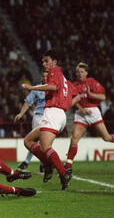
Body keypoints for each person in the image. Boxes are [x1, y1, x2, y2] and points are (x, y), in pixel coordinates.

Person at [21, 50, 80, 190]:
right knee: (28, 141)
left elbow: (53, 87)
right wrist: (64, 106)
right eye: (43, 61)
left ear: (55, 62)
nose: (44, 64)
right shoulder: (65, 79)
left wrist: (32, 87)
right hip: (59, 115)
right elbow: (76, 95)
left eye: (46, 60)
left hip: (53, 113)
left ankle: (63, 173)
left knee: (46, 147)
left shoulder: (54, 71)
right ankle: (48, 164)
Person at [64, 62, 114, 173]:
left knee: (106, 137)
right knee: (74, 138)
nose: (79, 74)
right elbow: (74, 101)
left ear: (86, 73)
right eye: (78, 72)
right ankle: (68, 165)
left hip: (93, 111)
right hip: (81, 113)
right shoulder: (74, 85)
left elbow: (103, 96)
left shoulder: (92, 82)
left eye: (82, 72)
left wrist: (91, 95)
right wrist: (81, 109)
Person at [14, 72, 46, 171]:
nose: (45, 77)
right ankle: (30, 162)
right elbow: (28, 101)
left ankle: (40, 163)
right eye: (43, 76)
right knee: (34, 141)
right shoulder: (37, 88)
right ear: (41, 77)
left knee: (45, 141)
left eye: (47, 76)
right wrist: (21, 114)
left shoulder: (55, 88)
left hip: (50, 116)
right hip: (39, 116)